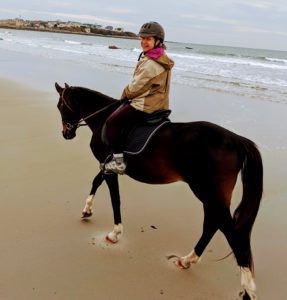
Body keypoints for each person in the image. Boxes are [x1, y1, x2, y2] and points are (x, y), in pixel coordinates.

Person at [103, 21, 174, 174]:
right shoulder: (160, 57)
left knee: (112, 122)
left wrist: (124, 95)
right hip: (159, 102)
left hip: (146, 105)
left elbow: (137, 88)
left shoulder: (151, 63)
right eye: (142, 38)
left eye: (148, 39)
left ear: (158, 41)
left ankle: (118, 162)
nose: (143, 42)